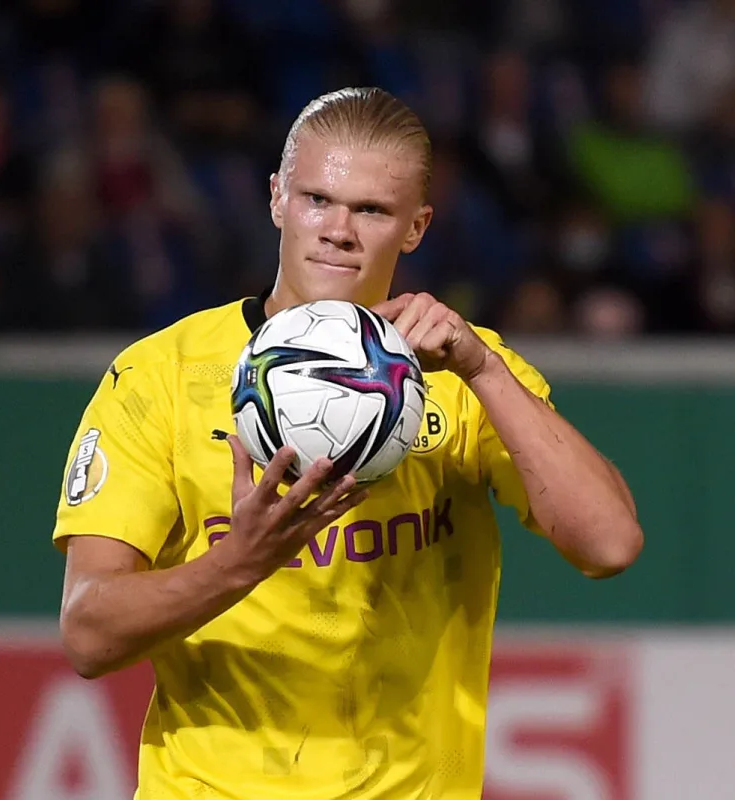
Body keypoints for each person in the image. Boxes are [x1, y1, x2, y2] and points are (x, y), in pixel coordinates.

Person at [52, 86, 643, 800]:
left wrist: (483, 369)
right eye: (317, 200)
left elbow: (609, 545)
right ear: (276, 198)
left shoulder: (465, 374)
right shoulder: (160, 376)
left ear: (417, 226)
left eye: (371, 210)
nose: (339, 229)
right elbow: (88, 632)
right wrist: (236, 564)